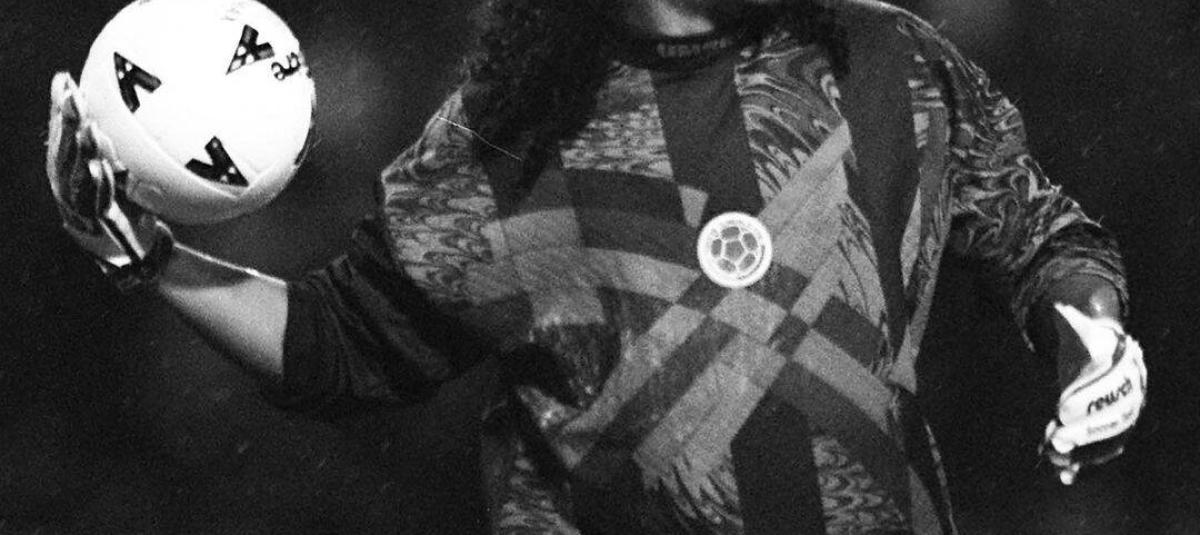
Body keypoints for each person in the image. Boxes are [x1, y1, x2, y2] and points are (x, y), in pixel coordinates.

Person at [46, 0, 1148, 533]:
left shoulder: (883, 61)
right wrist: (147, 258)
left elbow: (1041, 238)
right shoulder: (505, 132)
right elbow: (342, 344)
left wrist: (1094, 337)